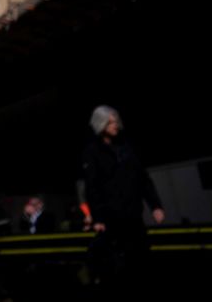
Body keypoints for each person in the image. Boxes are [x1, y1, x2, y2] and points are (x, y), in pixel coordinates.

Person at [82, 105, 164, 295]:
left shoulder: (127, 148)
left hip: (134, 215)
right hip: (111, 220)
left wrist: (155, 206)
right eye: (110, 122)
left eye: (116, 121)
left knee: (142, 261)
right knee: (117, 267)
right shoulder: (92, 151)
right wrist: (98, 218)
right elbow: (92, 188)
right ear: (100, 124)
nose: (115, 125)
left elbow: (143, 179)